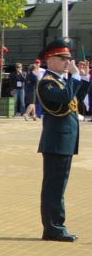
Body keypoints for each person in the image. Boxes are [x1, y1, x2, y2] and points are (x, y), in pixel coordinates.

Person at [34, 39, 78, 241]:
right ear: (50, 60)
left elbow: (74, 98)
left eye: (68, 59)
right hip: (56, 143)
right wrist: (76, 77)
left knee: (59, 186)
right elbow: (65, 98)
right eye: (63, 58)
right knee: (54, 187)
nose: (68, 62)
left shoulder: (61, 81)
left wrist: (82, 79)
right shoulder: (47, 82)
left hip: (64, 142)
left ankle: (57, 225)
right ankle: (52, 228)